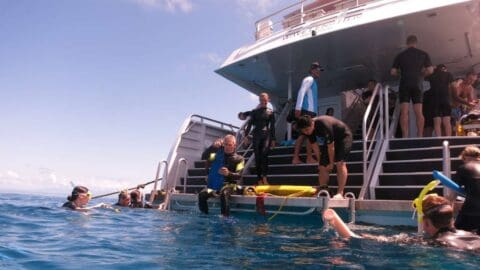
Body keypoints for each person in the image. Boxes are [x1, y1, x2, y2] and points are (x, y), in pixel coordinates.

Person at [324, 195, 480, 252]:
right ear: (452, 220)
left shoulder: (433, 243)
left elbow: (355, 238)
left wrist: (335, 219)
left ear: (426, 223)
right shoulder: (472, 235)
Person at [296, 115, 352, 199]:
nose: (306, 132)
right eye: (303, 131)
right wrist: (320, 161)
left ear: (312, 124)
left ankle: (340, 192)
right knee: (322, 166)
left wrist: (331, 163)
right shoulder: (308, 130)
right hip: (330, 140)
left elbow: (331, 147)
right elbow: (315, 146)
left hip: (343, 137)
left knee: (340, 163)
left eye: (307, 130)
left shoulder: (324, 124)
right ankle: (323, 190)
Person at [391, 35, 433, 138]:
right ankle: (419, 134)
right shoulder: (423, 54)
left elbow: (393, 72)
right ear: (416, 43)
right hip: (417, 84)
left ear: (407, 43)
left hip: (404, 83)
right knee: (419, 112)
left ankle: (405, 136)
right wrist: (421, 75)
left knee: (404, 112)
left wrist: (400, 74)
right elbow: (430, 70)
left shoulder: (400, 55)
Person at [198, 134, 245, 216]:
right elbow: (204, 157)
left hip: (230, 186)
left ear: (234, 145)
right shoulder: (216, 155)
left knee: (224, 193)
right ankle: (204, 216)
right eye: (225, 144)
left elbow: (239, 175)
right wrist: (212, 146)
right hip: (215, 187)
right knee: (202, 194)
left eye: (230, 145)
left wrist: (229, 173)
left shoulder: (240, 159)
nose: (227, 147)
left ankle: (225, 218)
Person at [292, 62, 322, 164]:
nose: (319, 72)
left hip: (311, 112)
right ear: (312, 70)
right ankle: (299, 158)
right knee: (304, 135)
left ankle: (307, 158)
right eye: (318, 70)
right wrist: (298, 108)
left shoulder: (313, 81)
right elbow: (301, 91)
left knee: (307, 135)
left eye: (320, 70)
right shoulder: (309, 79)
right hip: (306, 111)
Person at [244, 92, 276, 185]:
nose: (263, 102)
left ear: (268, 100)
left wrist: (273, 139)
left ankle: (265, 178)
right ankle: (259, 179)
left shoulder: (270, 112)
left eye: (265, 100)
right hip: (256, 135)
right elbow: (249, 124)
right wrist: (246, 136)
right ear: (259, 100)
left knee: (265, 157)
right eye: (261, 100)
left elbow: (272, 127)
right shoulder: (254, 112)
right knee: (257, 158)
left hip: (266, 136)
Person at [451, 145, 480, 234]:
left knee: (455, 234)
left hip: (472, 211)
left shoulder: (463, 168)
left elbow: (453, 193)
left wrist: (449, 211)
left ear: (465, 157)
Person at [425, 64, 454, 136]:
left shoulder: (432, 75)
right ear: (445, 69)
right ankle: (449, 139)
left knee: (437, 122)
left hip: (435, 100)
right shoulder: (448, 74)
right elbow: (453, 85)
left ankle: (438, 139)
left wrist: (433, 69)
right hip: (445, 99)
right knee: (447, 122)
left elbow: (425, 77)